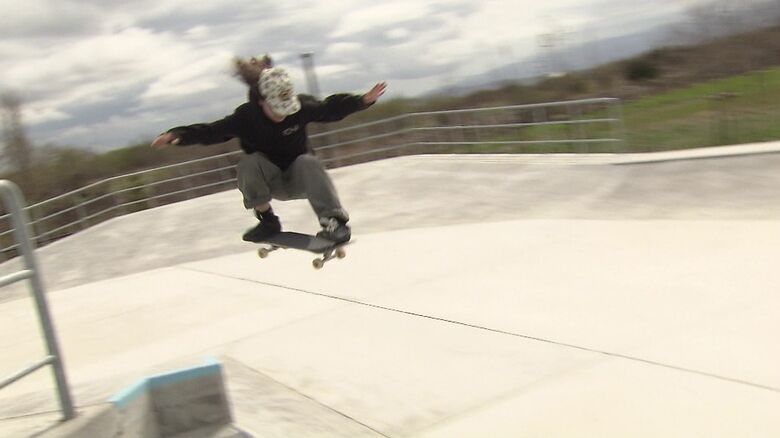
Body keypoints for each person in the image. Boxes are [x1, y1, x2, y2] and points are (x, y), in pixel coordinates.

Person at [151, 55, 386, 244]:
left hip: (301, 180)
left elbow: (330, 109)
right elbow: (211, 132)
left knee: (308, 161)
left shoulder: (300, 107)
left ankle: (334, 223)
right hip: (270, 183)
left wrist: (362, 101)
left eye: (287, 109)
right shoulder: (246, 117)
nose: (283, 114)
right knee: (249, 163)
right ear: (261, 102)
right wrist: (178, 135)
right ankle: (267, 220)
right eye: (277, 109)